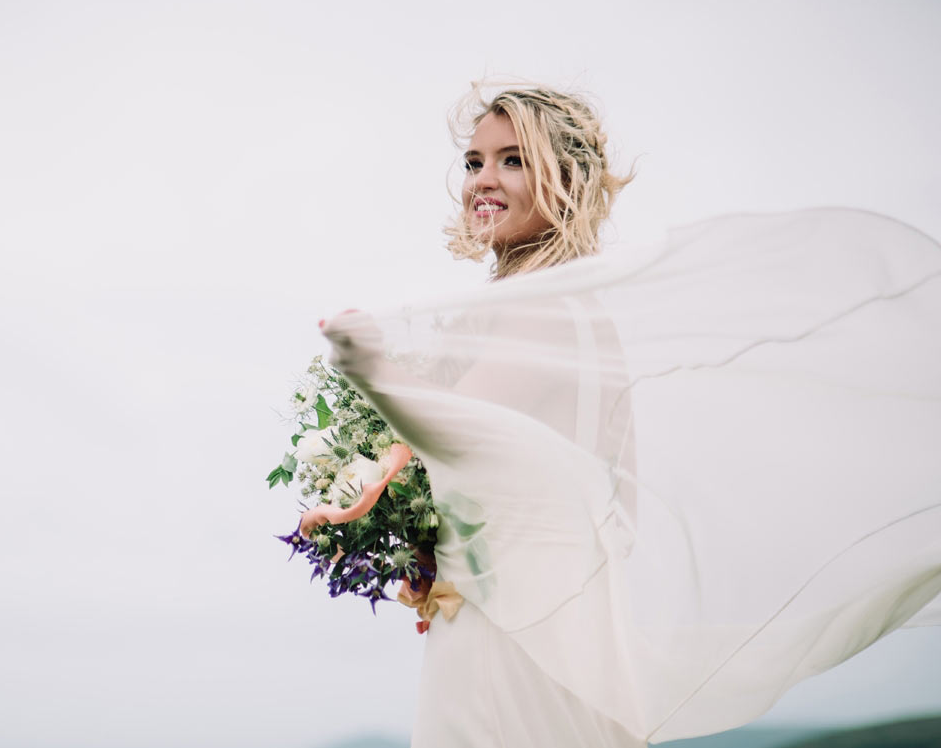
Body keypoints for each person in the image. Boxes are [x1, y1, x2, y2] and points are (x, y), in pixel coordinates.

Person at [318, 84, 941, 747]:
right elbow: (609, 502)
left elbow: (456, 428)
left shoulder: (539, 309)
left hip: (516, 629)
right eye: (474, 162)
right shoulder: (575, 309)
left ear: (564, 179)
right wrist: (410, 518)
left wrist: (370, 370)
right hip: (558, 620)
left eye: (513, 160)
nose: (483, 180)